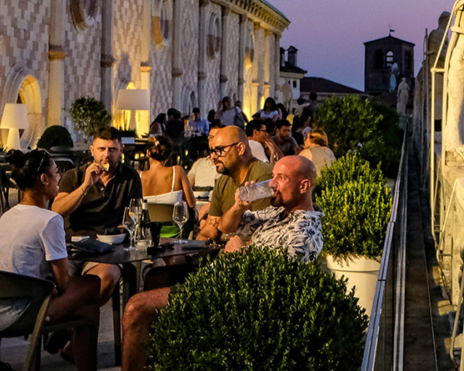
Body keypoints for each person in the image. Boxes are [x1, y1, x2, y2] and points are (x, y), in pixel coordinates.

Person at [123, 155, 322, 371]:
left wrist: (240, 254)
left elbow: (279, 279)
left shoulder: (305, 231)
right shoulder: (276, 213)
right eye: (273, 176)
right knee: (156, 277)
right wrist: (238, 206)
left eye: (281, 178)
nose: (272, 184)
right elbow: (228, 228)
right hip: (215, 282)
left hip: (230, 297)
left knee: (136, 307)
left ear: (303, 186)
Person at [0, 151, 102, 371]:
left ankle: (64, 333)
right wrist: (55, 283)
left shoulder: (7, 216)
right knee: (92, 284)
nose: (59, 178)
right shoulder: (50, 220)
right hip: (19, 313)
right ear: (44, 179)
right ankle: (63, 336)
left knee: (89, 311)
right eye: (57, 173)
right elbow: (63, 283)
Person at [52, 128, 137, 301]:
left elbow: (135, 215)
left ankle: (77, 318)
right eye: (102, 149)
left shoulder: (130, 177)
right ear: (92, 150)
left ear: (121, 151)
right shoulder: (74, 176)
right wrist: (85, 185)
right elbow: (57, 210)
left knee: (106, 277)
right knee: (52, 283)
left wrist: (118, 232)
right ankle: (77, 320)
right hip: (73, 247)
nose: (106, 155)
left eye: (112, 149)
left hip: (108, 249)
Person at [195, 126, 272, 238]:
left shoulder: (263, 176)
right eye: (212, 151)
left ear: (240, 148)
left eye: (219, 150)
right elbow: (210, 230)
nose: (213, 157)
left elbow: (260, 237)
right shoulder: (223, 180)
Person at [140, 136, 193, 207]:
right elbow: (191, 204)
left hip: (146, 218)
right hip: (172, 218)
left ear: (148, 153)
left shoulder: (138, 176)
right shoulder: (177, 171)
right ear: (168, 155)